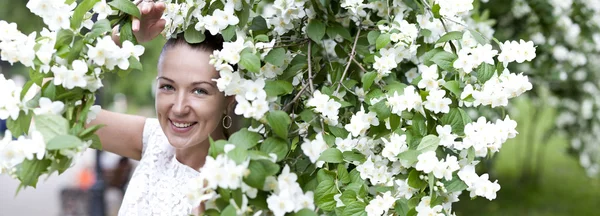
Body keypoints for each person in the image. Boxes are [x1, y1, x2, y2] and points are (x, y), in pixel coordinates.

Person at [88, 1, 238, 215]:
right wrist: (120, 39)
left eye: (199, 91)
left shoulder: (234, 187)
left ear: (229, 97)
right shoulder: (153, 140)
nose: (178, 108)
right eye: (168, 87)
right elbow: (61, 114)